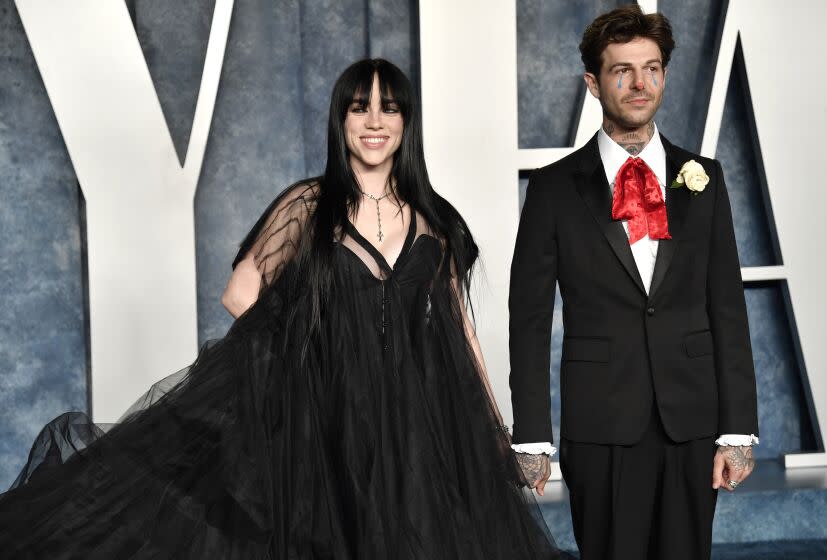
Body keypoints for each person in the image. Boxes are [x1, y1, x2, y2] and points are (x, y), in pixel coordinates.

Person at [0, 58, 566, 559]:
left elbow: (460, 329)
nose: (374, 122)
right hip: (326, 416)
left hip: (414, 420)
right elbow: (240, 293)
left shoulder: (434, 218)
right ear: (340, 121)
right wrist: (307, 368)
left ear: (405, 123)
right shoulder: (309, 204)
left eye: (388, 109)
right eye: (358, 108)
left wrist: (495, 433)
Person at [508, 6, 759, 560]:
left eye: (651, 68)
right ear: (593, 84)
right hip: (600, 423)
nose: (639, 83)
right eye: (622, 70)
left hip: (692, 423)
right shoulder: (552, 189)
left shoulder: (705, 179)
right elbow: (527, 319)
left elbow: (727, 308)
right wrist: (530, 433)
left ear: (665, 76)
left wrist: (737, 429)